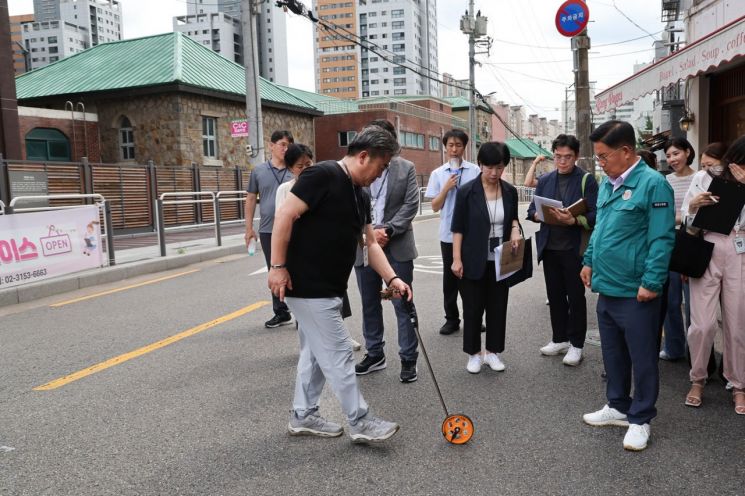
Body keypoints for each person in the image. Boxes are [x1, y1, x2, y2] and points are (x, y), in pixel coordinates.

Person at [269, 126, 412, 442]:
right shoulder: (321, 175)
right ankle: (360, 421)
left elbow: (369, 242)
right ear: (363, 156)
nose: (381, 173)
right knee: (339, 352)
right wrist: (277, 267)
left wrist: (393, 277)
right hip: (307, 285)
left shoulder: (360, 193)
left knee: (316, 354)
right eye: (382, 165)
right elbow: (284, 216)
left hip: (331, 287)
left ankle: (303, 415)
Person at [580, 120, 675, 451]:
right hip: (608, 287)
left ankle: (641, 418)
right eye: (598, 158)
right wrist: (589, 260)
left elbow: (662, 238)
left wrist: (651, 282)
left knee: (643, 356)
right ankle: (618, 405)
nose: (600, 164)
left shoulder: (653, 184)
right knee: (613, 353)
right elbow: (601, 228)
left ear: (626, 151)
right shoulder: (608, 184)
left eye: (604, 157)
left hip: (637, 291)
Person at [681, 136, 745, 415]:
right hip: (707, 247)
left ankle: (738, 384)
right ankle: (698, 379)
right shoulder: (704, 177)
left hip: (740, 250)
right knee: (703, 324)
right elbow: (685, 216)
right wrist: (694, 206)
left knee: (737, 323)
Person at [353, 120, 420, 383]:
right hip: (364, 247)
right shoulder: (359, 168)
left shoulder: (406, 169)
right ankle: (375, 353)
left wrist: (387, 231)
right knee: (370, 302)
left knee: (399, 301)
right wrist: (368, 235)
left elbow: (411, 204)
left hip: (396, 246)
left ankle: (408, 358)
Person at [450, 142, 522, 373]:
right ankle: (473, 353)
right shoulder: (466, 191)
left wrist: (514, 230)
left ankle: (493, 352)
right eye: (488, 167)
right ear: (480, 164)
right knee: (472, 308)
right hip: (472, 257)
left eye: (499, 167)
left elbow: (513, 219)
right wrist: (456, 258)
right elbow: (458, 227)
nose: (493, 173)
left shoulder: (510, 191)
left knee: (498, 306)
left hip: (501, 259)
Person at [528, 134, 598, 366]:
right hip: (550, 247)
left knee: (576, 297)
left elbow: (596, 215)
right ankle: (559, 339)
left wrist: (574, 220)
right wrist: (538, 215)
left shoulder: (587, 180)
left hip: (574, 248)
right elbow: (531, 209)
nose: (562, 161)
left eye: (568, 157)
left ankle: (576, 344)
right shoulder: (546, 179)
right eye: (558, 157)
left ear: (576, 157)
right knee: (555, 295)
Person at [425, 129, 480, 335]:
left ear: (464, 147)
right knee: (450, 280)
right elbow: (434, 206)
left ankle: (473, 317)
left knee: (472, 277)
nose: (454, 149)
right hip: (448, 235)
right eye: (450, 145)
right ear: (445, 147)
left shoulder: (475, 171)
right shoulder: (438, 174)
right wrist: (446, 188)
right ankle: (451, 318)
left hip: (472, 235)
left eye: (458, 145)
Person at [246, 130, 295, 328]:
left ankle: (302, 312)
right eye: (282, 144)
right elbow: (250, 199)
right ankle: (281, 312)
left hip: (293, 227)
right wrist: (249, 228)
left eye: (289, 145)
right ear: (271, 145)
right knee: (274, 268)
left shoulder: (295, 169)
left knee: (297, 268)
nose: (286, 148)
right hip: (268, 229)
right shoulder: (258, 171)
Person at [660, 138, 697, 361]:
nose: (672, 159)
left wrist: (681, 216)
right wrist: (688, 214)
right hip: (670, 242)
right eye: (669, 156)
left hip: (694, 242)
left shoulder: (701, 177)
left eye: (676, 153)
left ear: (687, 152)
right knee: (671, 300)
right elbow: (662, 215)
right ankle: (674, 347)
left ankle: (697, 352)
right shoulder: (665, 181)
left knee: (694, 302)